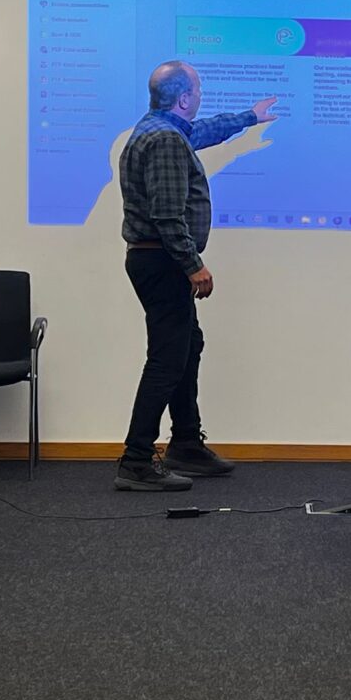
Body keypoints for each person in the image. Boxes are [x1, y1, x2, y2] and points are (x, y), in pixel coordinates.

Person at [114, 61, 277, 492]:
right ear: (184, 98)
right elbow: (167, 215)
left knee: (187, 346)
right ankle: (135, 460)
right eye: (199, 90)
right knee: (167, 359)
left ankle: (185, 443)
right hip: (163, 261)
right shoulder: (166, 140)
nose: (201, 96)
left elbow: (202, 132)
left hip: (157, 260)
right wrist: (193, 265)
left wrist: (249, 117)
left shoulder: (161, 129)